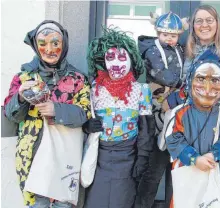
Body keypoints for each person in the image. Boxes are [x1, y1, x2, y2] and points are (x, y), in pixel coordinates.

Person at [3, 20, 91, 208]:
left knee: (63, 204)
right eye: (42, 44)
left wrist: (56, 110)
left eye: (55, 43)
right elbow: (11, 116)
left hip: (65, 154)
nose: (49, 49)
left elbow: (85, 115)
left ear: (64, 44)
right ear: (36, 46)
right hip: (32, 154)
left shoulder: (78, 79)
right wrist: (20, 98)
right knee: (37, 205)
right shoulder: (23, 77)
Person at [82, 27, 155, 208]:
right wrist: (87, 125)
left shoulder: (141, 90)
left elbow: (146, 128)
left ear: (132, 60)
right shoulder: (94, 89)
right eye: (110, 58)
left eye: (122, 58)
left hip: (128, 158)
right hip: (99, 158)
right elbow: (82, 117)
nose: (115, 63)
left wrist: (143, 158)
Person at [165, 60, 220, 205]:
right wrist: (194, 158)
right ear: (190, 81)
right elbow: (172, 138)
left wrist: (214, 154)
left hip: (216, 170)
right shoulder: (180, 113)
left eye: (215, 80)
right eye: (200, 79)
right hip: (186, 170)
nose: (207, 88)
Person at [136, 11, 188, 208]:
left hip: (176, 109)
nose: (169, 38)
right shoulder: (152, 51)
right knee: (155, 166)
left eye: (173, 35)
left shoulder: (180, 50)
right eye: (164, 34)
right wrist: (182, 83)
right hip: (158, 110)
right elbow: (160, 73)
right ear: (157, 32)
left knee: (176, 168)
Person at [167, 4, 220, 109]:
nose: (204, 25)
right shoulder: (186, 49)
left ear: (217, 24)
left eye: (209, 20)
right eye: (199, 21)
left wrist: (171, 101)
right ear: (193, 26)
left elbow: (212, 87)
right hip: (182, 111)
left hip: (209, 112)